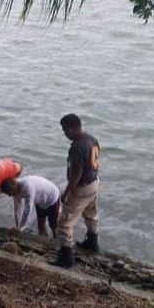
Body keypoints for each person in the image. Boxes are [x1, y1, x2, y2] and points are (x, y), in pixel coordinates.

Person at [53, 113, 101, 268]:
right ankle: (92, 242)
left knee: (64, 223)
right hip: (94, 183)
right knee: (91, 213)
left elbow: (76, 174)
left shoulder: (77, 147)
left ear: (72, 129)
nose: (64, 134)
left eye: (65, 131)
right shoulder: (92, 139)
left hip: (81, 189)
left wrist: (67, 192)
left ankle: (66, 258)